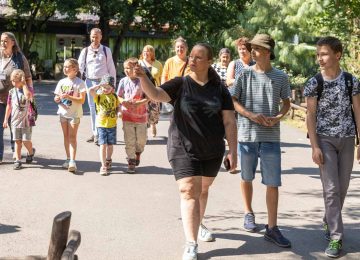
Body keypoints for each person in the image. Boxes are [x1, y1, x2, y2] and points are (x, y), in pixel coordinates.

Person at [134, 43, 237, 260]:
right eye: (191, 56)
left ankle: (199, 223)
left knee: (203, 189)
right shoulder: (181, 83)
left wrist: (233, 151)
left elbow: (229, 121)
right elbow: (156, 94)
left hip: (212, 148)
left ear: (209, 62)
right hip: (182, 145)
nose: (192, 60)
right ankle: (191, 243)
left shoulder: (219, 89)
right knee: (189, 190)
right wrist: (143, 77)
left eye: (198, 57)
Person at [230, 34, 291, 248]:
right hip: (247, 136)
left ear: (267, 52)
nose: (252, 52)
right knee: (246, 177)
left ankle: (272, 228)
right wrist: (250, 114)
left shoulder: (281, 77)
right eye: (251, 48)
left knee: (272, 183)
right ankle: (248, 212)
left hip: (271, 138)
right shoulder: (244, 75)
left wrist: (279, 116)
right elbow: (233, 100)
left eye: (256, 49)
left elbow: (286, 103)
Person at [304, 36, 360, 258]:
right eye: (318, 54)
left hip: (346, 139)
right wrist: (314, 146)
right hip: (324, 139)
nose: (320, 58)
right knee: (331, 189)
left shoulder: (351, 81)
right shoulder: (313, 82)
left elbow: (358, 111)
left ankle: (329, 219)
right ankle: (336, 237)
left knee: (342, 187)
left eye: (324, 54)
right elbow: (310, 115)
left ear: (337, 55)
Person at [78, 28, 116, 145]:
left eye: (97, 36)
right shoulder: (85, 51)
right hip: (89, 82)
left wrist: (112, 84)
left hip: (102, 83)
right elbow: (80, 67)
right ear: (90, 37)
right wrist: (78, 84)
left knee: (102, 108)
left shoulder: (106, 50)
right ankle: (95, 133)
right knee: (92, 108)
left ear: (101, 37)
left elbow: (111, 67)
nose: (95, 39)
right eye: (93, 36)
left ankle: (100, 133)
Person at [0, 32, 33, 164]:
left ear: (13, 42)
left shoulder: (19, 58)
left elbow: (28, 77)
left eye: (6, 41)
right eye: (1, 41)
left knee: (15, 127)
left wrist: (30, 94)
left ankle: (16, 153)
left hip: (16, 99)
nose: (3, 43)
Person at [54, 58, 86, 173]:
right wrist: (57, 99)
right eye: (65, 66)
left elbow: (82, 100)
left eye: (68, 66)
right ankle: (68, 158)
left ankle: (73, 161)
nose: (65, 68)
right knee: (66, 137)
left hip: (74, 114)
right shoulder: (61, 82)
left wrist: (69, 97)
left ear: (75, 69)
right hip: (63, 113)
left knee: (72, 137)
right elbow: (56, 97)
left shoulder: (80, 82)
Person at [117, 57, 149, 174]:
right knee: (129, 140)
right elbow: (118, 96)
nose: (126, 70)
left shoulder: (143, 80)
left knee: (141, 140)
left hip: (141, 116)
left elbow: (149, 97)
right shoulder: (123, 81)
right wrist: (123, 102)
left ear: (136, 68)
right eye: (125, 68)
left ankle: (138, 153)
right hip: (127, 116)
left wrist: (139, 103)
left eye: (129, 68)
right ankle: (131, 161)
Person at [89, 75, 122, 176]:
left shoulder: (115, 96)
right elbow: (90, 91)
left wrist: (119, 112)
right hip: (101, 125)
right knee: (102, 145)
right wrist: (99, 85)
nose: (106, 89)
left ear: (112, 88)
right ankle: (103, 165)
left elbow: (118, 106)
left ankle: (108, 159)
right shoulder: (99, 96)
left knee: (110, 145)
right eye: (104, 87)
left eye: (108, 87)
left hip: (112, 124)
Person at [2, 69, 35, 170]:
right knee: (17, 141)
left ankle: (31, 152)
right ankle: (18, 160)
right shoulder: (11, 92)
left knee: (26, 141)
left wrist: (24, 84)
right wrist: (5, 119)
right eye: (12, 81)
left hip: (26, 120)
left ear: (22, 80)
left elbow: (28, 97)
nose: (13, 83)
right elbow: (8, 106)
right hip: (15, 120)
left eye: (16, 81)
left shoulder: (28, 89)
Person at [139, 45, 163, 137]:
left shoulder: (158, 64)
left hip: (154, 90)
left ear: (152, 53)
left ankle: (153, 125)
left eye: (148, 51)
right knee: (143, 111)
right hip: (142, 91)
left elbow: (160, 78)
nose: (146, 53)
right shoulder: (139, 63)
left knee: (154, 111)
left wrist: (161, 91)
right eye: (144, 51)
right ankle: (144, 129)